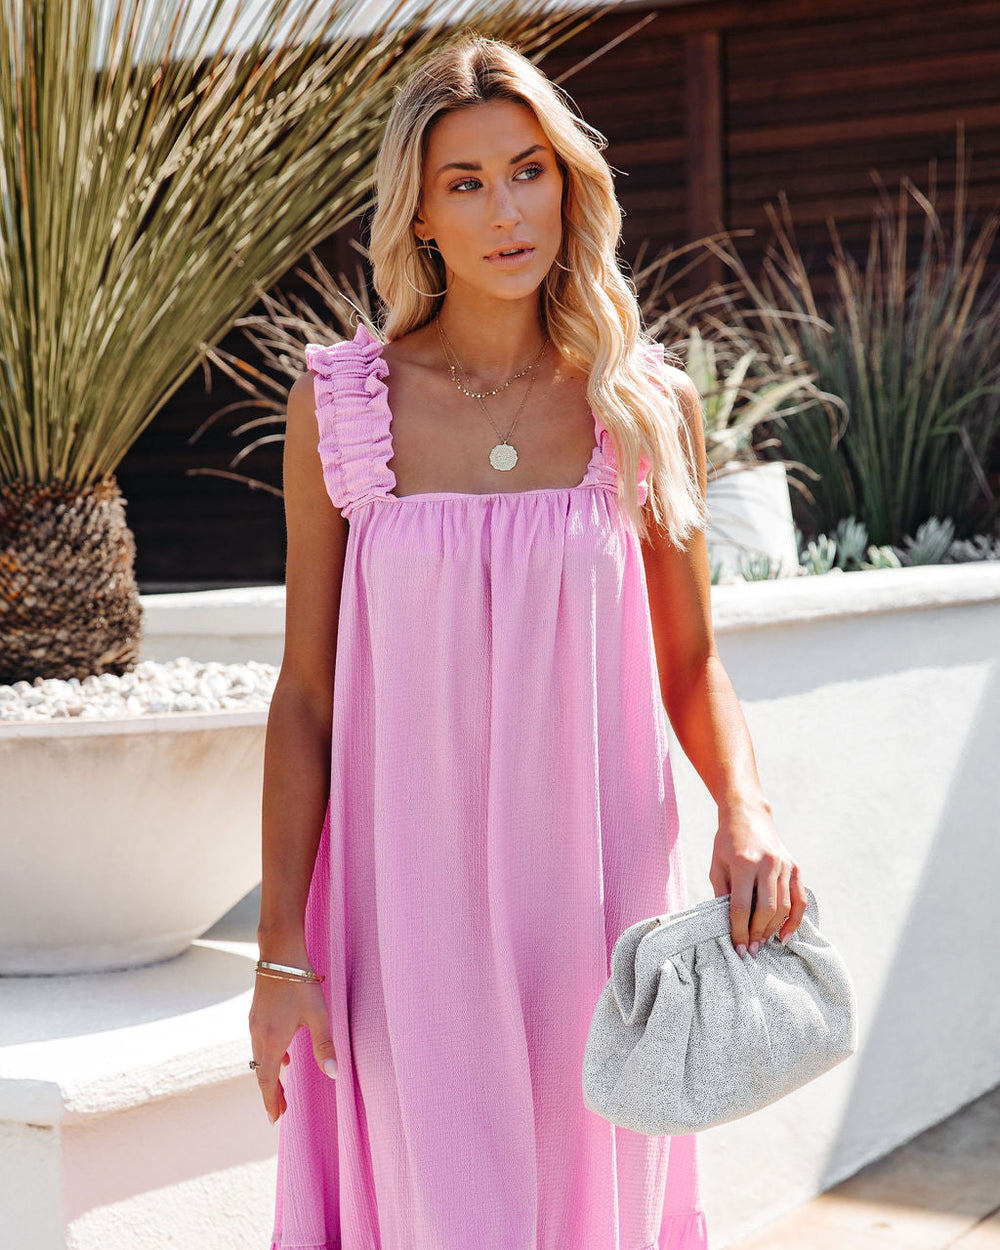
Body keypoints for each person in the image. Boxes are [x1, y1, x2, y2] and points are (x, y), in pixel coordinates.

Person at [250, 31, 808, 1250]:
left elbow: (691, 663)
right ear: (419, 213)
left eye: (528, 170)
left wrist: (745, 807)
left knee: (586, 1204)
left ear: (568, 182)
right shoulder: (341, 407)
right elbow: (306, 696)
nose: (506, 211)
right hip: (405, 905)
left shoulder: (642, 404)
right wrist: (281, 945)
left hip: (593, 898)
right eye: (465, 182)